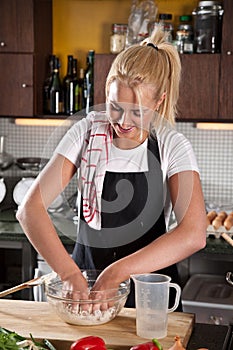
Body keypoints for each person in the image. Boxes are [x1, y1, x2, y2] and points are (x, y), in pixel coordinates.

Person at [16, 27, 206, 309]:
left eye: (137, 112)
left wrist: (116, 273)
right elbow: (29, 210)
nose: (123, 121)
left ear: (159, 101)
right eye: (116, 106)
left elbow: (194, 234)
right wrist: (69, 273)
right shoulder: (86, 133)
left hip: (148, 299)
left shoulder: (171, 145)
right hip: (86, 292)